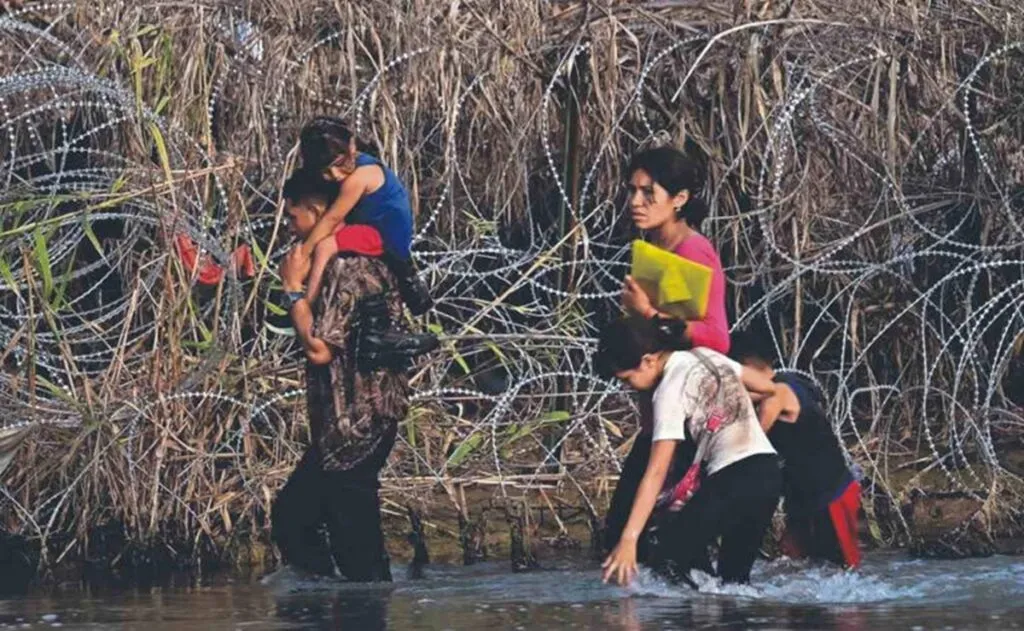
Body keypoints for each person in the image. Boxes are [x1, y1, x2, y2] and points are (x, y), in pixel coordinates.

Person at [270, 169, 415, 581]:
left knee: (357, 553)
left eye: (294, 218)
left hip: (358, 424)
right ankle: (327, 605)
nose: (291, 229)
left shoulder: (347, 269)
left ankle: (358, 610)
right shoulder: (340, 262)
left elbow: (318, 349)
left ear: (317, 211)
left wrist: (293, 291)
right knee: (295, 519)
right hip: (342, 426)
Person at [595, 316, 782, 587]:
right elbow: (768, 387)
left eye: (627, 379)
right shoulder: (706, 357)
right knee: (735, 586)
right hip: (768, 474)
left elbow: (656, 471)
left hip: (733, 477)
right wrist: (723, 402)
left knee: (668, 558)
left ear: (648, 360)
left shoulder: (669, 390)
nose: (628, 387)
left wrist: (629, 539)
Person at [729, 332, 862, 569]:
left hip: (831, 494)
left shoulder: (778, 395)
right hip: (805, 495)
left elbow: (751, 441)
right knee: (799, 566)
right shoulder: (790, 381)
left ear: (746, 367)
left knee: (842, 570)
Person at [292, 116, 432, 317]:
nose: (335, 175)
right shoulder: (355, 167)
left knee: (324, 247)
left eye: (339, 164)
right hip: (372, 229)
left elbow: (331, 219)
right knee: (323, 242)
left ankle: (308, 307)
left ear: (351, 145)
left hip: (386, 237)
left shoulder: (359, 177)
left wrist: (303, 254)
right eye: (325, 171)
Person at [620, 146, 730, 355]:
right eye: (633, 190)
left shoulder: (692, 250)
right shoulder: (655, 247)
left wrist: (645, 311)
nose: (635, 202)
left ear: (679, 198)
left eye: (648, 192)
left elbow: (717, 338)